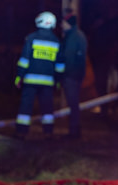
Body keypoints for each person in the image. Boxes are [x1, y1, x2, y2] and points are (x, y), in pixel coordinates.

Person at [15, 11, 64, 139]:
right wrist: (58, 81)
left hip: (30, 80)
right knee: (47, 108)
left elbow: (24, 60)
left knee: (26, 106)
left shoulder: (31, 38)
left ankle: (22, 132)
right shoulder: (56, 41)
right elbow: (59, 65)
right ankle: (48, 132)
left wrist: (19, 76)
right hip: (48, 82)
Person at [60, 9, 88, 139]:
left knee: (73, 103)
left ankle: (74, 131)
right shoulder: (79, 35)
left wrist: (63, 73)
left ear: (68, 24)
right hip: (77, 74)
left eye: (63, 23)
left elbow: (68, 57)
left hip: (71, 75)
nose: (61, 25)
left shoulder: (72, 37)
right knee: (74, 103)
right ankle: (75, 130)